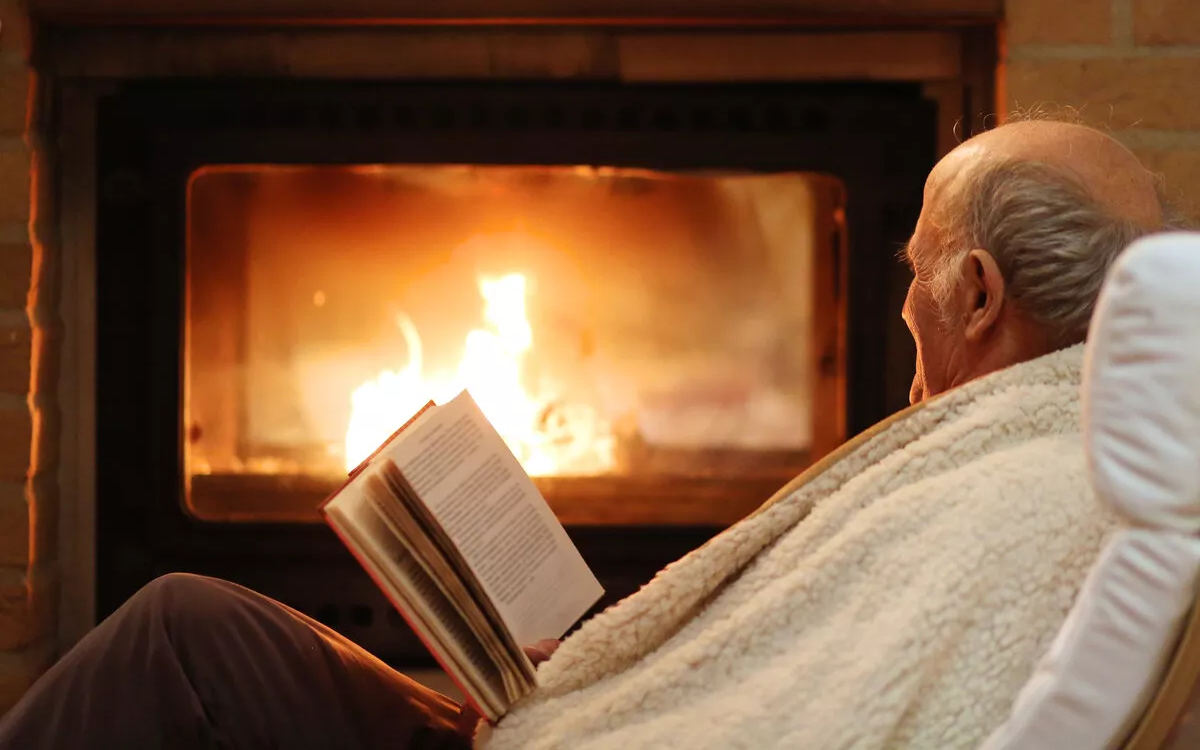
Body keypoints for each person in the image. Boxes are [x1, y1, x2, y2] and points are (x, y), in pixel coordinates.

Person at [0, 117, 1192, 750]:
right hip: (586, 717)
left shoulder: (1007, 487)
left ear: (977, 295)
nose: (899, 301)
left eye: (917, 265)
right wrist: (592, 668)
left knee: (176, 639)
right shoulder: (1062, 467)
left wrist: (588, 704)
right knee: (195, 622)